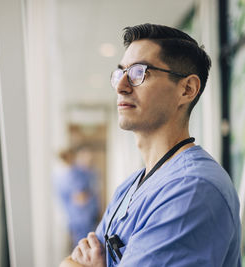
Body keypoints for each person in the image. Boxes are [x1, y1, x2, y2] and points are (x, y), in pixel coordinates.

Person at [60, 23, 242, 267]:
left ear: (187, 89)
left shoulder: (192, 189)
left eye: (138, 72)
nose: (121, 86)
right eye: (119, 74)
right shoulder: (130, 187)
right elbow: (71, 261)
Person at [54, 145, 100, 248]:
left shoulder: (79, 172)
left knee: (85, 244)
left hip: (82, 216)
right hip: (78, 217)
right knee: (83, 245)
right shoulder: (68, 176)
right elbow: (80, 197)